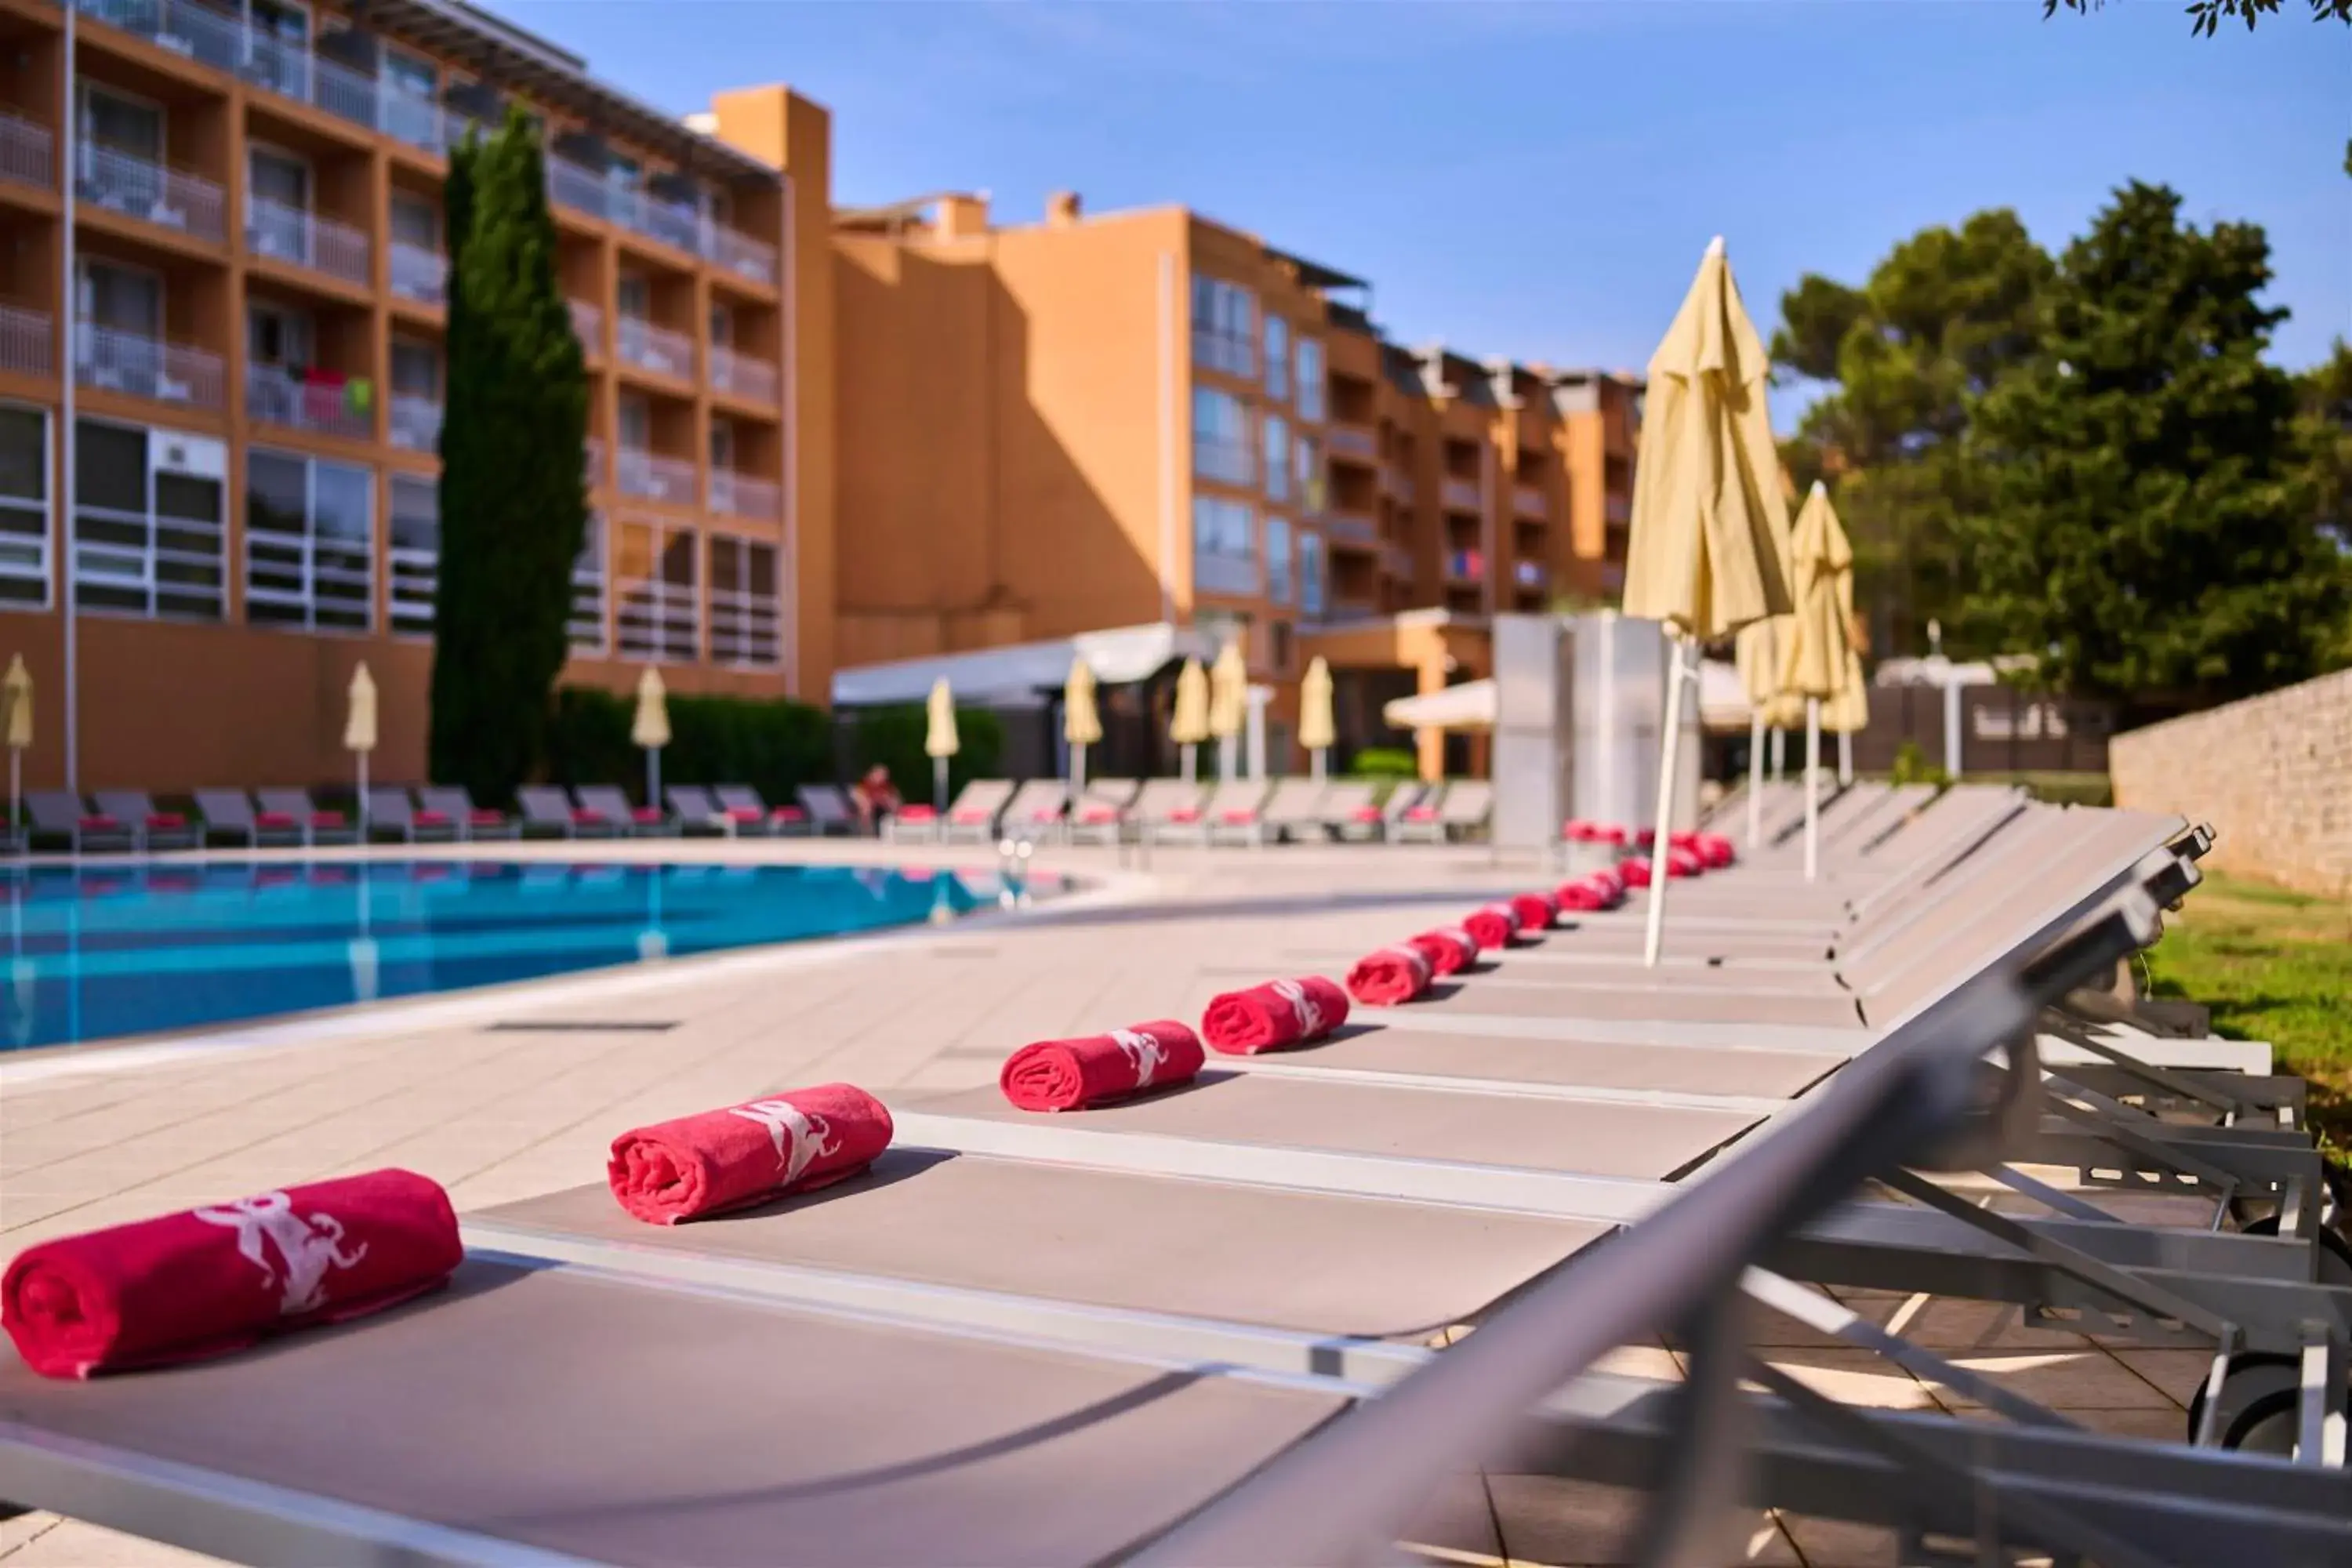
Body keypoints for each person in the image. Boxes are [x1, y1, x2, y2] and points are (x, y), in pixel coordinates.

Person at [849, 764, 902, 833]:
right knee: (866, 807)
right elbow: (858, 793)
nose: (882, 778)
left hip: (877, 801)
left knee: (893, 803)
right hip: (865, 799)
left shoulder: (885, 785)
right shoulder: (866, 782)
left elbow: (894, 795)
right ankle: (867, 831)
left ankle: (896, 826)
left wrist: (888, 801)